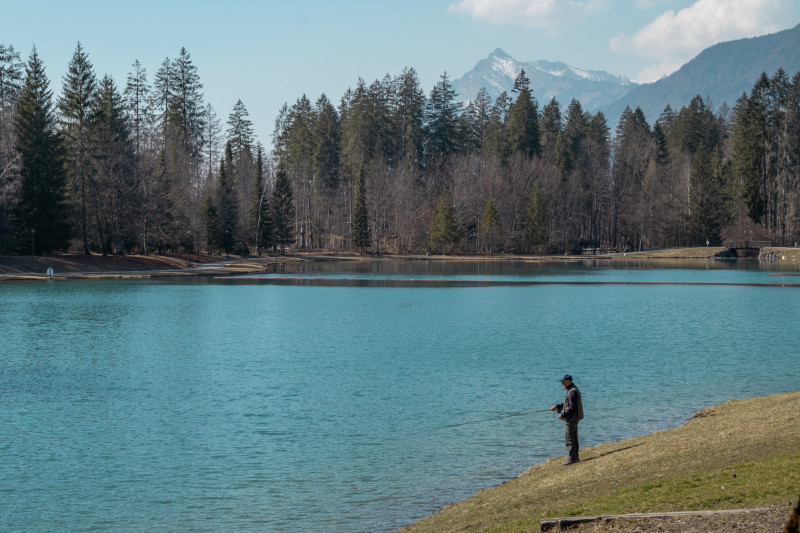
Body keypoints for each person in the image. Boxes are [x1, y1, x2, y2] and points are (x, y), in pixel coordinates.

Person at [550, 374, 583, 465]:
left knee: (569, 437)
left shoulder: (572, 391)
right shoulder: (572, 389)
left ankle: (572, 458)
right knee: (573, 437)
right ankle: (575, 457)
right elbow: (568, 404)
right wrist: (557, 406)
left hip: (572, 417)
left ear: (568, 381)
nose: (562, 383)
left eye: (563, 381)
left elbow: (572, 407)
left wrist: (563, 414)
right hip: (575, 417)